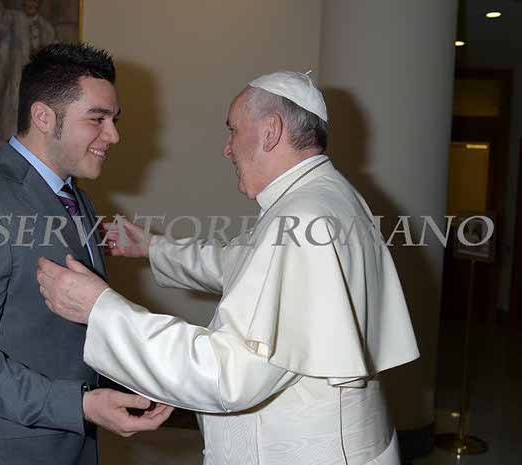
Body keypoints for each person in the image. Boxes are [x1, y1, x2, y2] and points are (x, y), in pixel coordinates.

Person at [37, 71, 421, 465]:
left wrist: (101, 309)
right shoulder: (325, 195)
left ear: (270, 131)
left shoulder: (303, 218)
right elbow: (242, 264)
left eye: (233, 130)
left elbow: (229, 376)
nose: (226, 148)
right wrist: (152, 247)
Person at [0, 43, 172, 465]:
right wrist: (78, 405)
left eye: (113, 120)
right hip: (3, 450)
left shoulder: (76, 198)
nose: (113, 135)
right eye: (97, 119)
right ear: (43, 117)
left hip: (73, 444)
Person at [0, 0, 57, 157]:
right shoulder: (12, 20)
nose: (31, 4)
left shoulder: (47, 28)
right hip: (13, 89)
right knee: (8, 130)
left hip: (38, 90)